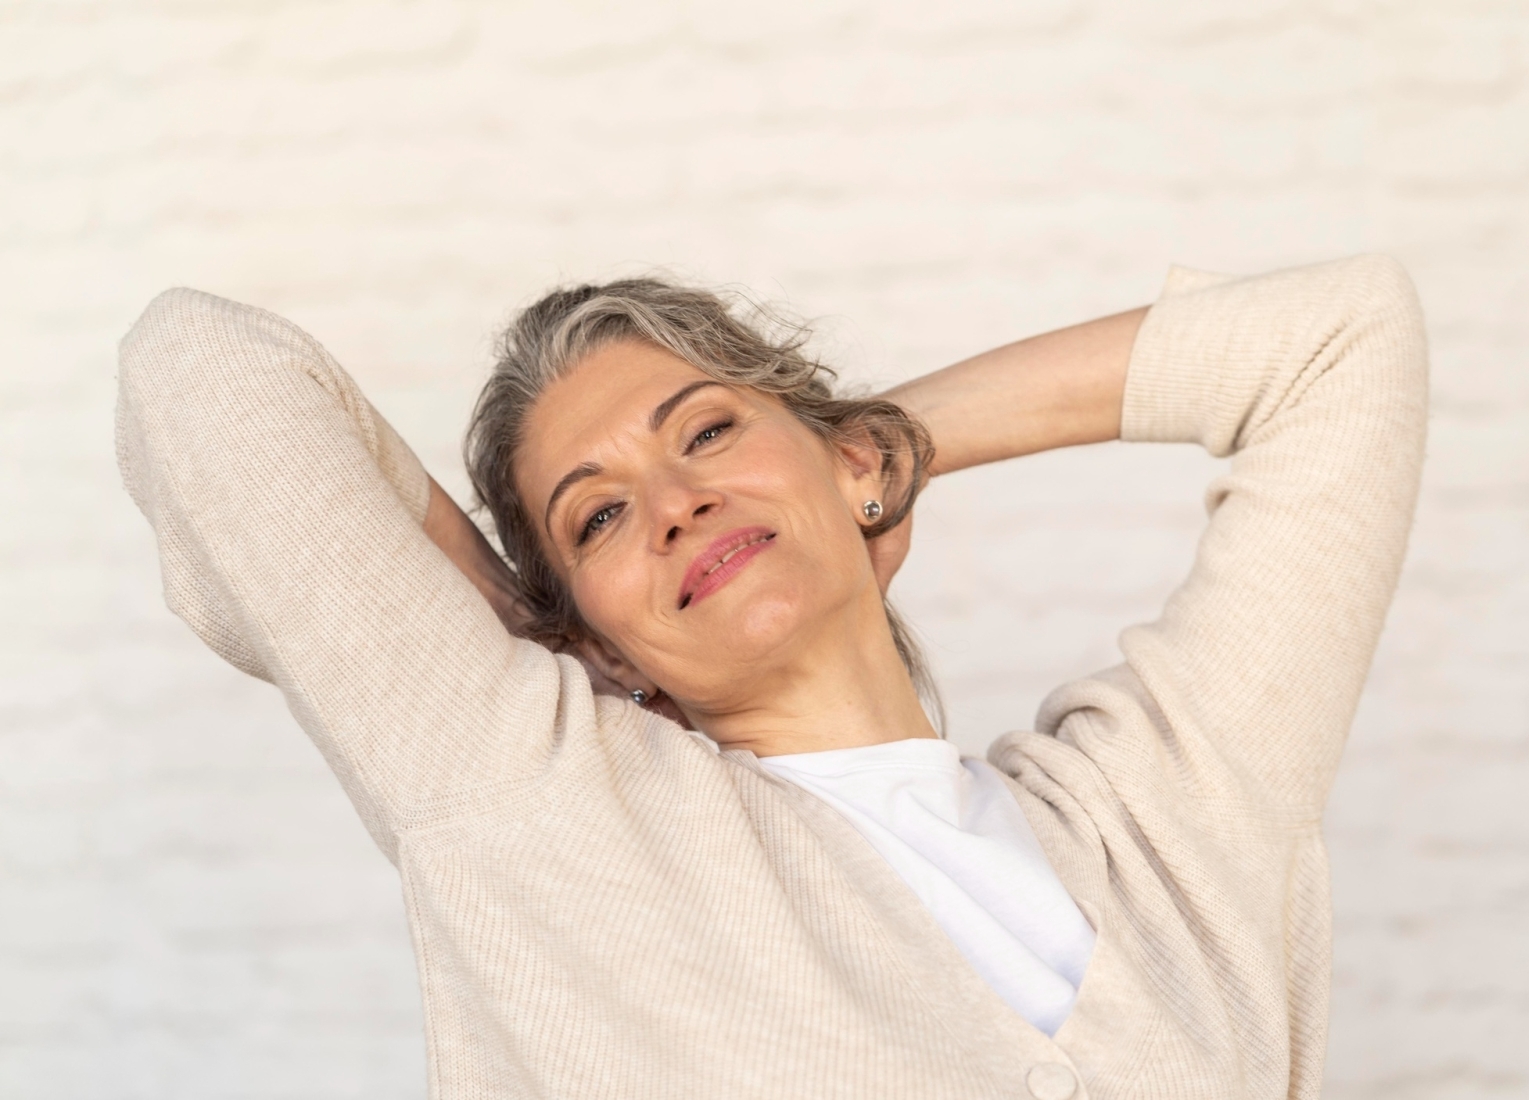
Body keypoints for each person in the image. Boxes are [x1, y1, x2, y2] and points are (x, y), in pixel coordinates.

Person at [116, 254, 1427, 1100]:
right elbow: (204, 369)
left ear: (848, 465)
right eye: (599, 519)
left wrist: (879, 447)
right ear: (588, 635)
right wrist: (548, 648)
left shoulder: (1163, 817)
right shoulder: (555, 815)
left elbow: (1339, 346)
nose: (677, 501)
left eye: (710, 432)